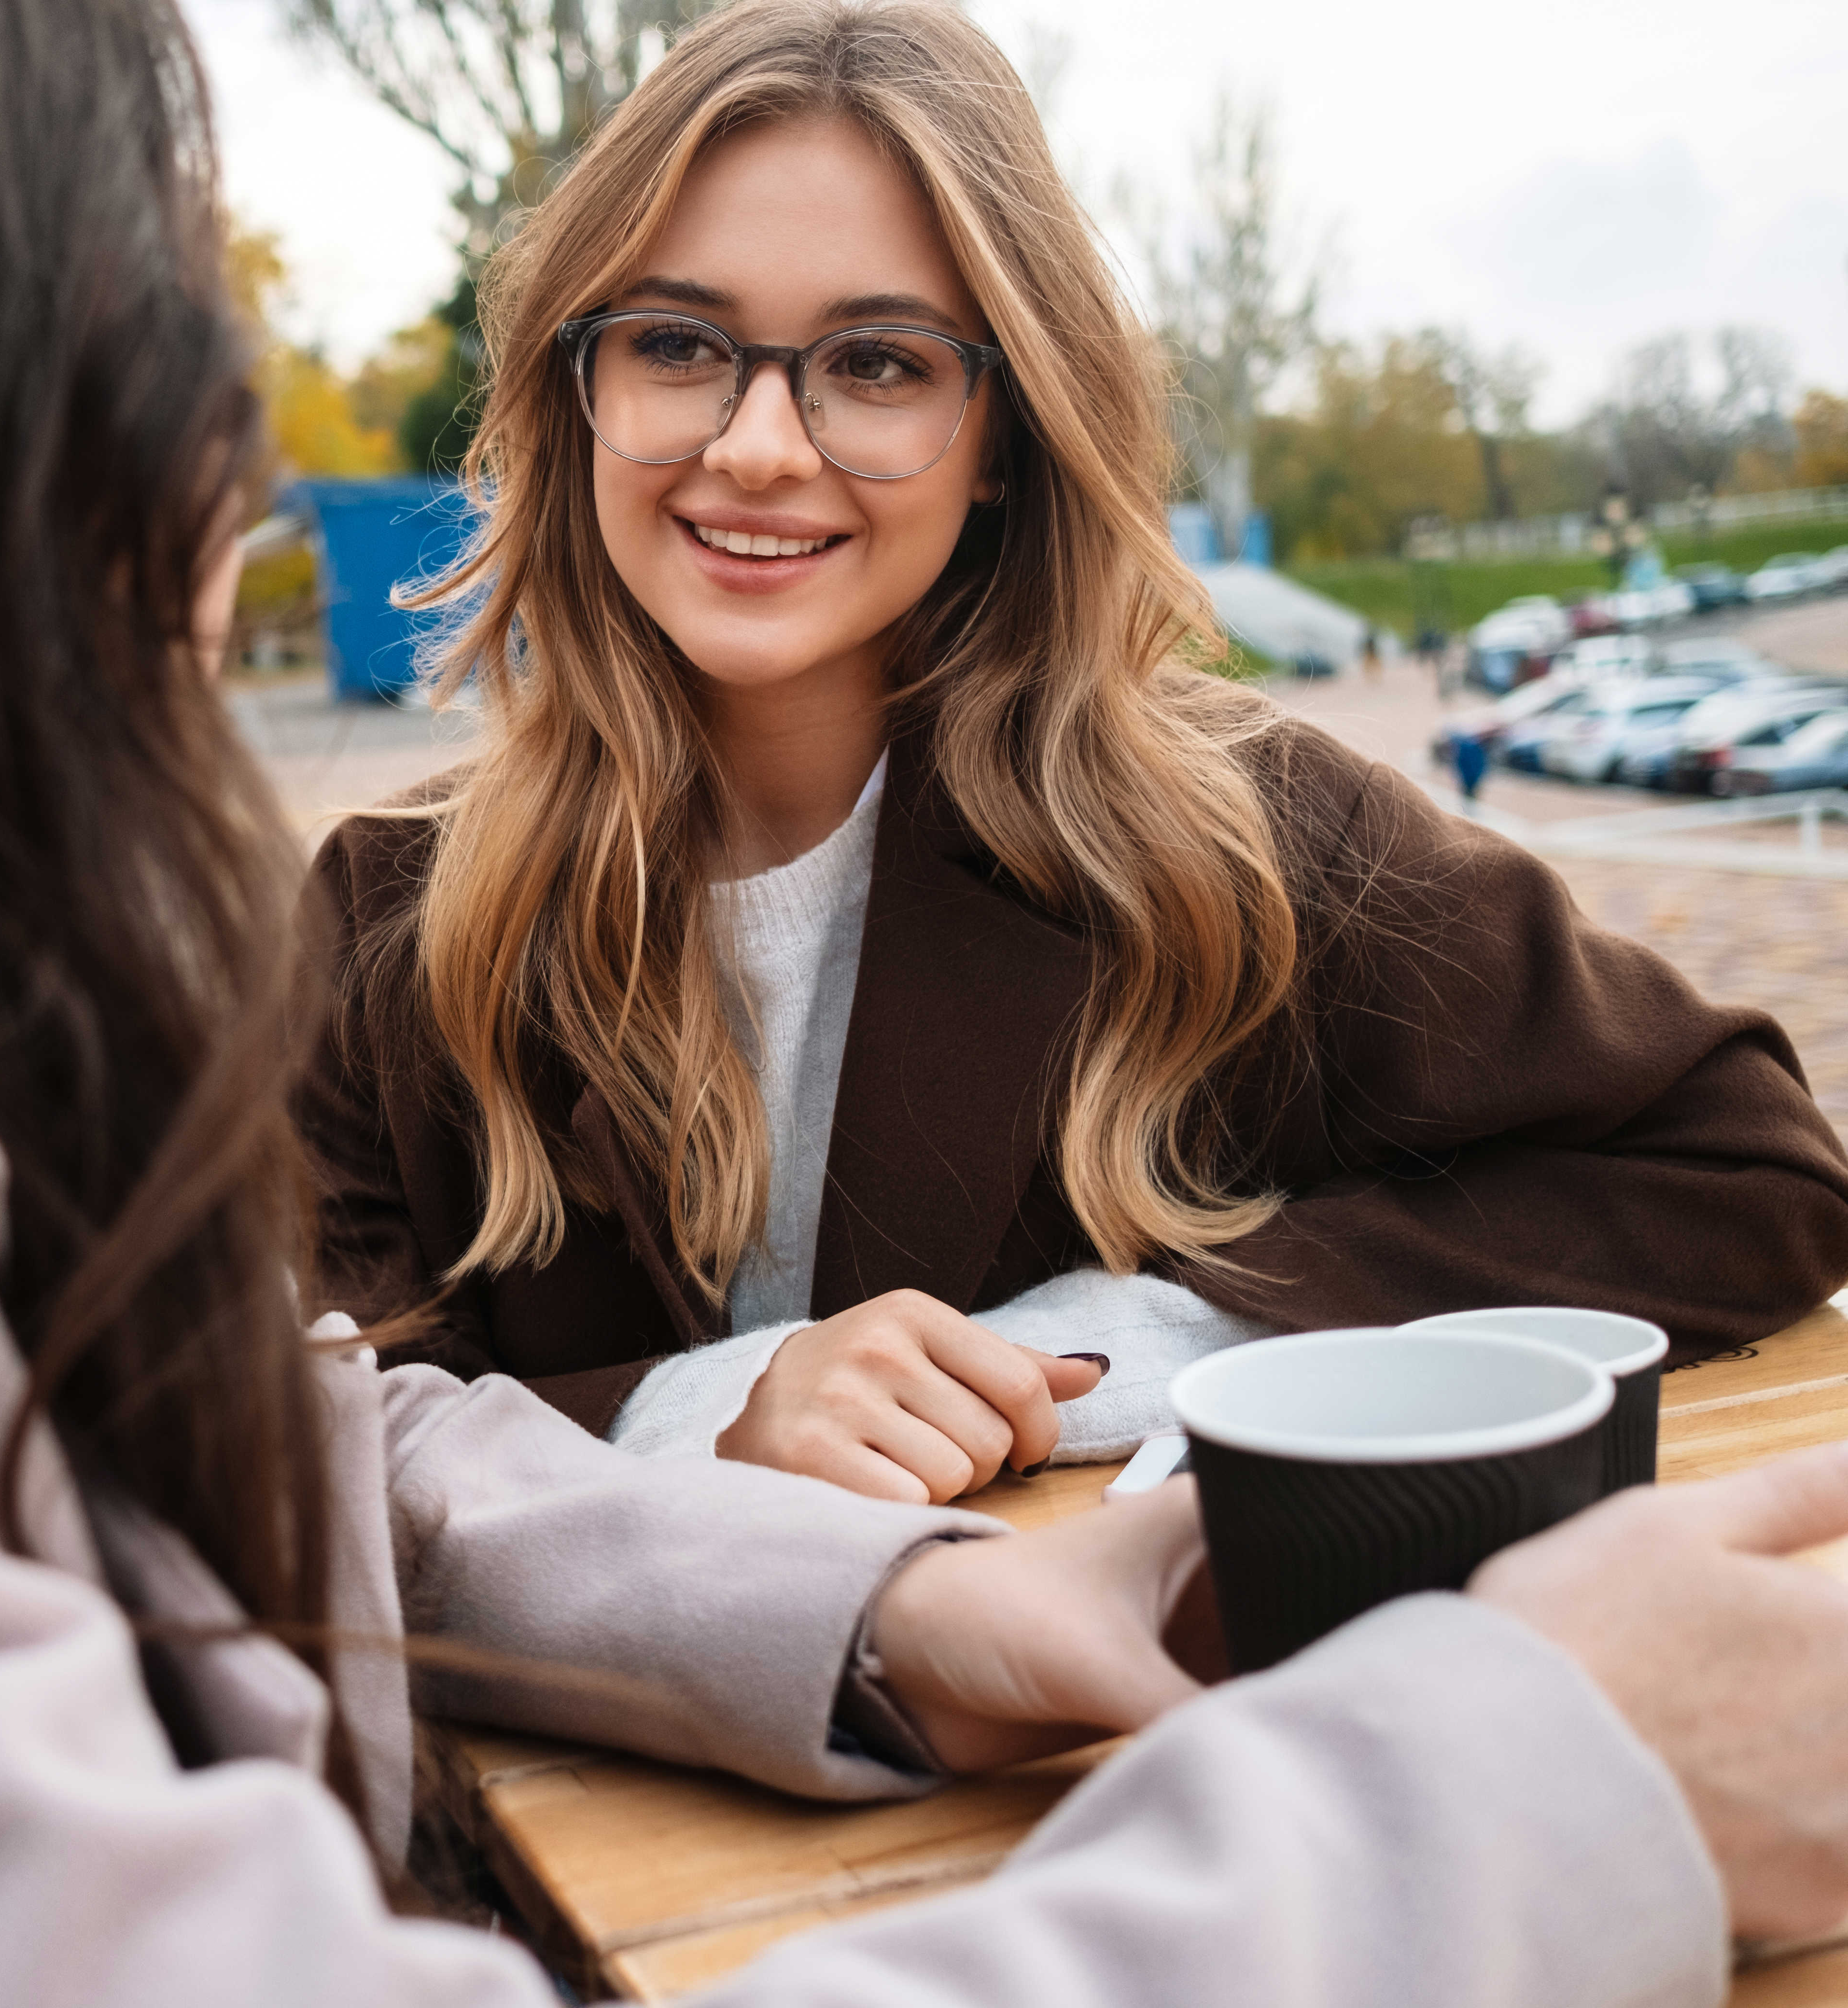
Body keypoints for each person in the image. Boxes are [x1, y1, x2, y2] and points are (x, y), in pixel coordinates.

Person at [0, 2, 1848, 2004]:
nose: (216, 411)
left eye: (877, 366)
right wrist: (1534, 1791)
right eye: (152, 268)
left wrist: (916, 1583)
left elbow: (299, 1449)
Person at [298, 0, 1848, 1503]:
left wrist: (1116, 1351)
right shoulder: (386, 924)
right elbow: (290, 1450)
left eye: (881, 363)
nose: (759, 445)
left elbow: (1751, 1175)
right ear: (577, 392)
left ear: (1004, 435)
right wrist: (693, 1419)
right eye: (678, 342)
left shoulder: (1250, 840)